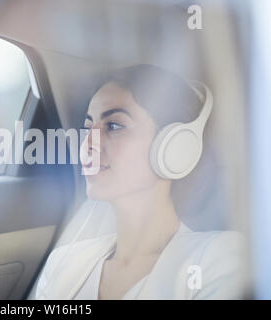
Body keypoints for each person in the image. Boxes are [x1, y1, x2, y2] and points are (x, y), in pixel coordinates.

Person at [31, 64, 247, 300]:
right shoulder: (63, 263)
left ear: (175, 147)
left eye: (114, 126)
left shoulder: (218, 259)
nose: (88, 144)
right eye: (88, 128)